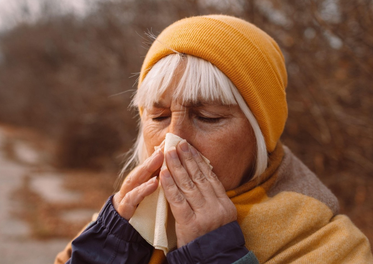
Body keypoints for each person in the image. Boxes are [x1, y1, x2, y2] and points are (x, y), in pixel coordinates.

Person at [54, 15, 373, 264]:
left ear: (260, 133)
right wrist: (113, 245)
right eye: (159, 117)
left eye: (208, 117)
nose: (173, 141)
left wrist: (213, 254)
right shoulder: (123, 221)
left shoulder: (329, 246)